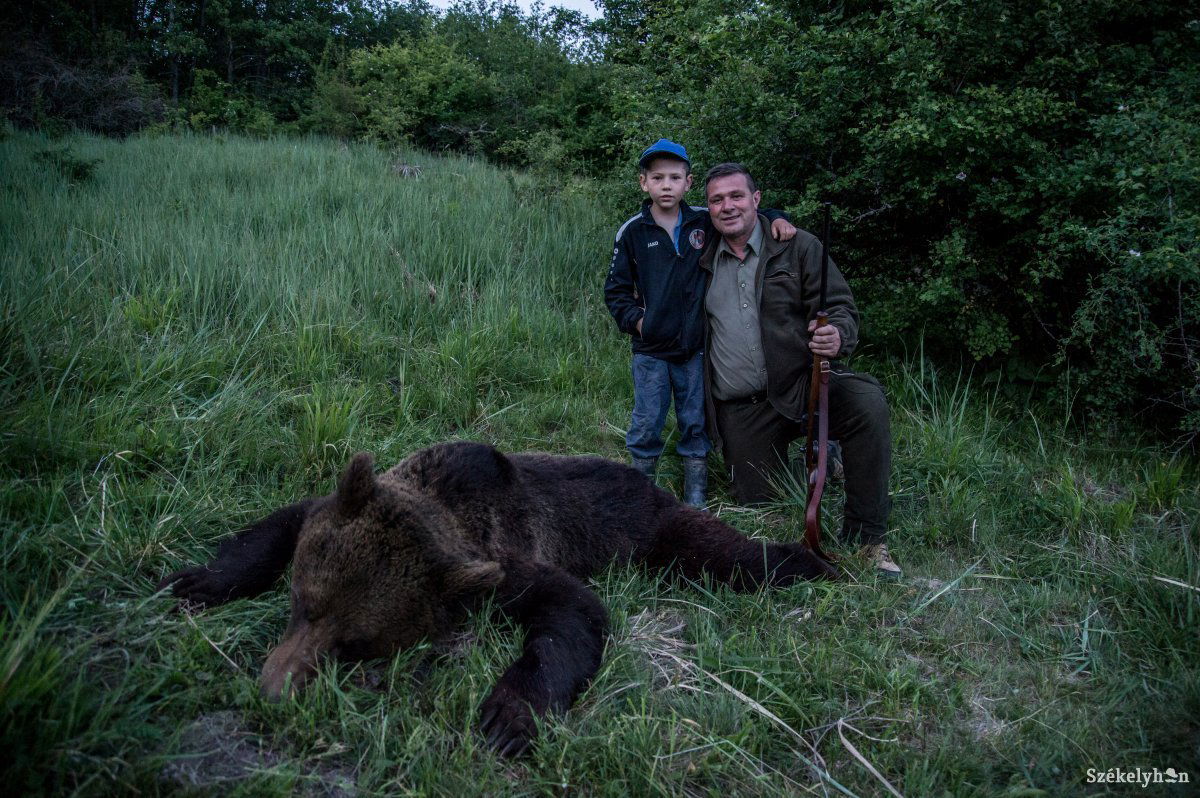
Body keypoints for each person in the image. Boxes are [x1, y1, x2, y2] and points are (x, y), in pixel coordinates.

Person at [699, 162, 900, 577]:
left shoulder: (799, 246)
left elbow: (841, 307)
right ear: (707, 209)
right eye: (717, 200)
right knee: (756, 498)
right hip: (743, 407)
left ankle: (867, 538)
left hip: (802, 384)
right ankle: (821, 455)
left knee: (866, 402)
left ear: (756, 201)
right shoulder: (695, 257)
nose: (727, 206)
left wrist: (837, 336)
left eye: (737, 196)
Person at [604, 140, 796, 508]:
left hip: (694, 349)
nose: (666, 185)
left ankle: (696, 495)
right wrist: (639, 323)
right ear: (643, 183)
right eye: (657, 177)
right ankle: (639, 494)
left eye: (674, 177)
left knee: (695, 420)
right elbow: (615, 291)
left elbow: (749, 213)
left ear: (688, 183)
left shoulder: (702, 222)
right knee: (647, 422)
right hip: (651, 352)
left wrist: (780, 217)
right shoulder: (633, 232)